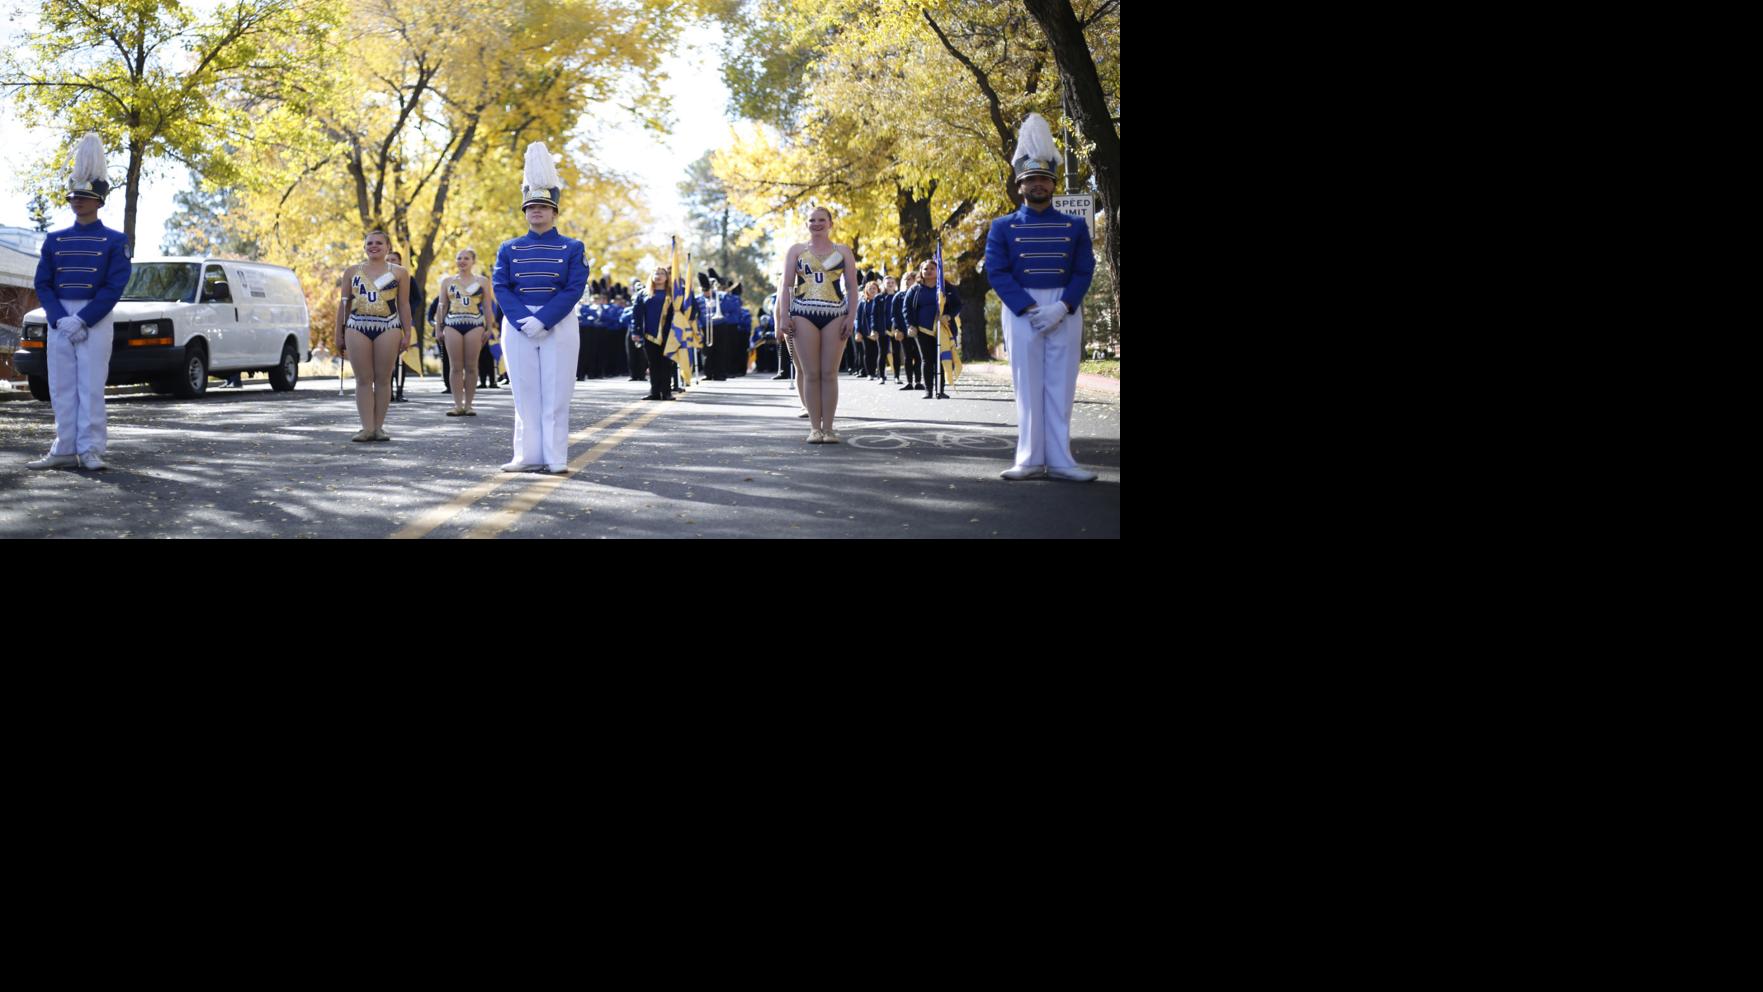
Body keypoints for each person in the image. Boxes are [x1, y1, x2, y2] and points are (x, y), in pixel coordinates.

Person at [988, 113, 1098, 482]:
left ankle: (1062, 458)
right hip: (1021, 308)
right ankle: (1030, 458)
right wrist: (1029, 307)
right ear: (1020, 185)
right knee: (1027, 384)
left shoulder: (1075, 226)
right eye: (1031, 180)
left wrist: (1063, 306)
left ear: (1053, 185)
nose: (1038, 185)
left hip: (1064, 306)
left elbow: (1084, 269)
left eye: (1044, 180)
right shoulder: (1002, 227)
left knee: (1061, 383)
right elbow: (997, 272)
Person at [27, 133, 131, 472]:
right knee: (60, 386)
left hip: (94, 317)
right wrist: (58, 318)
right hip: (58, 317)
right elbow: (42, 282)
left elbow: (114, 285)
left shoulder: (115, 241)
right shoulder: (55, 239)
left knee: (90, 386)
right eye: (74, 197)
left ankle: (89, 449)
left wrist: (83, 319)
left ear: (99, 200)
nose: (78, 202)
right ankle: (63, 446)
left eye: (85, 197)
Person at [491, 141, 588, 474]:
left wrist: (544, 319)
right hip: (518, 325)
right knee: (524, 394)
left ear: (554, 212)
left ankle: (555, 456)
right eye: (531, 208)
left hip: (558, 323)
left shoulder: (572, 247)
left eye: (543, 208)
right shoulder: (509, 247)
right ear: (525, 212)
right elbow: (501, 285)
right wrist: (522, 320)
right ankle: (527, 455)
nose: (536, 212)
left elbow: (574, 287)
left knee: (557, 394)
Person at [776, 206, 858, 443]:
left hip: (835, 313)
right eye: (812, 220)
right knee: (811, 373)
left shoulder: (843, 251)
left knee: (829, 373)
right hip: (803, 312)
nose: (817, 223)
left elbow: (852, 287)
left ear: (831, 223)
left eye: (822, 220)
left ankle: (829, 428)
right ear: (807, 224)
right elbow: (786, 286)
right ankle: (814, 428)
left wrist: (851, 317)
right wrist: (783, 315)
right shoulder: (796, 250)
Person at [334, 230, 412, 442]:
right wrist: (338, 334)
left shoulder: (400, 273)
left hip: (388, 325)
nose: (373, 246)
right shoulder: (352, 272)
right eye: (369, 243)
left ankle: (379, 427)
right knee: (363, 379)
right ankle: (366, 427)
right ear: (364, 246)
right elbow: (344, 304)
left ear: (388, 247)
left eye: (379, 243)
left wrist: (408, 333)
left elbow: (403, 305)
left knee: (383, 378)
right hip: (357, 325)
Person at [437, 247, 493, 417]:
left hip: (474, 323)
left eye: (466, 258)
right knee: (455, 366)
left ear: (473, 261)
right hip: (452, 323)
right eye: (459, 258)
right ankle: (457, 404)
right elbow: (442, 305)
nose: (462, 261)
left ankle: (469, 405)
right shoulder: (447, 282)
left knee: (471, 365)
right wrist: (439, 327)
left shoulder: (482, 281)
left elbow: (487, 307)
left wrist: (489, 327)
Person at [905, 258, 960, 401]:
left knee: (940, 359)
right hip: (922, 330)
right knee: (927, 360)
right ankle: (928, 390)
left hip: (942, 328)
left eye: (932, 269)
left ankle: (940, 390)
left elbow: (957, 304)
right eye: (925, 269)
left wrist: (948, 315)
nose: (928, 271)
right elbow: (907, 309)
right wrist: (910, 325)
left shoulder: (946, 287)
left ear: (937, 271)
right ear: (921, 272)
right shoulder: (915, 289)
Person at [633, 266, 675, 401]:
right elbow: (636, 315)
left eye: (662, 273)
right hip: (649, 334)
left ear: (667, 277)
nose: (659, 275)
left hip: (669, 334)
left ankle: (667, 392)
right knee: (653, 364)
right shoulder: (643, 293)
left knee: (666, 364)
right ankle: (655, 392)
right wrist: (636, 331)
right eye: (656, 273)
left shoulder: (673, 294)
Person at [893, 271, 921, 391]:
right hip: (904, 331)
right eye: (905, 279)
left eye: (909, 279)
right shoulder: (898, 296)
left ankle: (918, 381)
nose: (906, 281)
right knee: (908, 357)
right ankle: (909, 381)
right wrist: (897, 329)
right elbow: (894, 315)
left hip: (919, 331)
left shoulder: (919, 294)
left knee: (919, 357)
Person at [876, 275, 902, 384]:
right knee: (882, 353)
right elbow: (875, 314)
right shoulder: (879, 297)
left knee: (897, 353)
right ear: (884, 284)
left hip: (895, 329)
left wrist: (899, 327)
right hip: (883, 329)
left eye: (892, 282)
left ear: (895, 284)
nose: (890, 284)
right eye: (888, 282)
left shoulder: (899, 296)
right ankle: (881, 376)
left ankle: (897, 376)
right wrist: (876, 328)